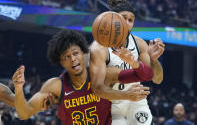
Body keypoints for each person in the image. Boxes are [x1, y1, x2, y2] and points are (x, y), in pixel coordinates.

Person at [12, 29, 151, 124]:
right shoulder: (55, 86)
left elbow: (143, 75)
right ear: (61, 62)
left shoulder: (105, 75)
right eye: (67, 56)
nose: (73, 59)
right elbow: (25, 113)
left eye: (75, 53)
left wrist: (135, 63)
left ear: (84, 54)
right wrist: (18, 89)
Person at [89, 0, 165, 125]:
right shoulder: (98, 48)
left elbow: (157, 79)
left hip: (135, 99)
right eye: (124, 18)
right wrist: (125, 95)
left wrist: (154, 60)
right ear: (113, 19)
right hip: (110, 101)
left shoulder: (139, 44)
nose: (128, 22)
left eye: (131, 20)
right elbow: (97, 89)